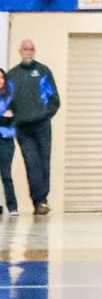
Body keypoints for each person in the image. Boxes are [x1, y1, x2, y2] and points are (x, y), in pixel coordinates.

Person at [7, 40, 59, 215]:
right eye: (25, 49)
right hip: (23, 128)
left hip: (42, 125)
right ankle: (37, 200)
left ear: (34, 51)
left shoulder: (43, 71)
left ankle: (42, 201)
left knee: (44, 161)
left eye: (31, 49)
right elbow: (6, 100)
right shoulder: (12, 75)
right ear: (20, 51)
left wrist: (45, 114)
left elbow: (54, 99)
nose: (28, 52)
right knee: (31, 163)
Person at [0, 69, 18, 216]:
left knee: (6, 174)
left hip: (6, 140)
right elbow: (4, 118)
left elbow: (11, 118)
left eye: (2, 78)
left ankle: (12, 207)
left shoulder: (11, 98)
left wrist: (6, 118)